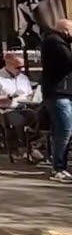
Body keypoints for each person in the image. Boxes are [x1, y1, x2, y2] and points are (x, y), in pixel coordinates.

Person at [41, 19, 72, 182]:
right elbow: (69, 61)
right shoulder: (54, 41)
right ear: (65, 30)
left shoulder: (60, 42)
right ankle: (58, 168)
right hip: (58, 93)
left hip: (64, 93)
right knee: (64, 131)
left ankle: (60, 165)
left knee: (63, 131)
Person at [0, 51, 39, 142]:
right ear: (8, 64)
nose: (21, 70)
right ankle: (22, 147)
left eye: (22, 67)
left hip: (24, 108)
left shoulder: (23, 78)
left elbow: (29, 94)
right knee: (20, 120)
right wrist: (9, 97)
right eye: (18, 67)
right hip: (5, 110)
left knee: (42, 117)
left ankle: (34, 144)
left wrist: (34, 96)